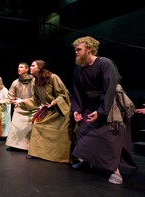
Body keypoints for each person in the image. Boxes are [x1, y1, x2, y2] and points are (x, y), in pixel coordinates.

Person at [71, 36, 138, 184]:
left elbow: (110, 88)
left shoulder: (104, 63)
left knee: (109, 137)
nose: (76, 52)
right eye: (75, 50)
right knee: (82, 132)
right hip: (90, 104)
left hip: (109, 103)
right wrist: (77, 110)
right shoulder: (78, 70)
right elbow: (77, 92)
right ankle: (86, 161)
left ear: (89, 49)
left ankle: (116, 171)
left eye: (79, 50)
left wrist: (102, 111)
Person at [18, 60, 72, 163]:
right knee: (37, 124)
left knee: (60, 130)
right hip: (49, 110)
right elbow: (36, 99)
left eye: (33, 66)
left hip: (60, 110)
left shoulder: (53, 77)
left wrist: (55, 102)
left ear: (39, 68)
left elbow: (63, 95)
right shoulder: (35, 81)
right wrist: (23, 101)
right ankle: (37, 153)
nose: (30, 68)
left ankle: (58, 155)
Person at [3, 62, 37, 151]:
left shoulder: (34, 81)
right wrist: (5, 101)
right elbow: (10, 95)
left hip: (32, 107)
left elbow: (37, 95)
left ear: (26, 69)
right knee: (15, 125)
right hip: (19, 108)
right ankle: (14, 145)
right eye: (18, 67)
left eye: (21, 67)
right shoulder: (15, 82)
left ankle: (28, 146)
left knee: (30, 126)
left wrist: (25, 101)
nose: (19, 69)